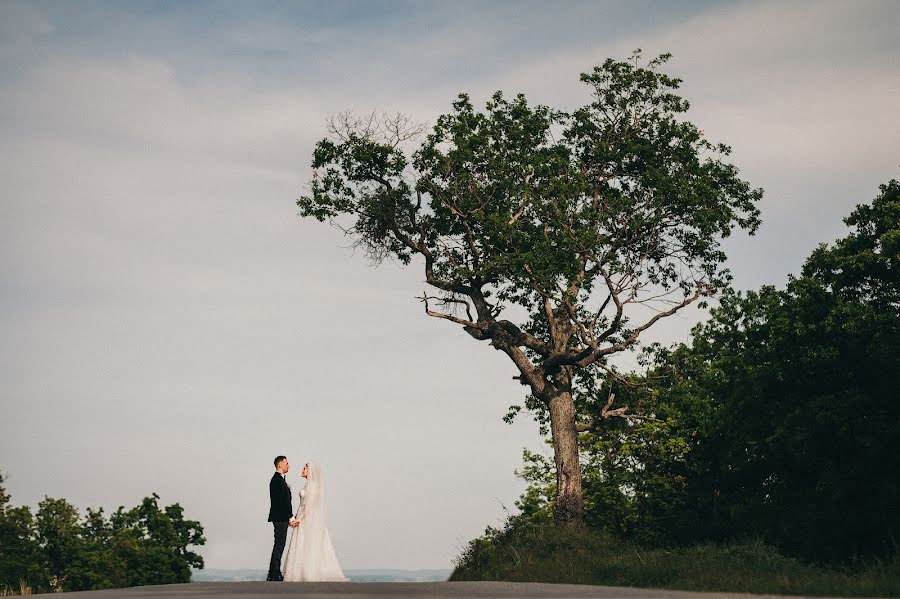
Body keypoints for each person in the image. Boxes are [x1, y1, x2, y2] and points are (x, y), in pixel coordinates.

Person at [282, 463, 347, 581]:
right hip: (302, 516)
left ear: (310, 471)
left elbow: (309, 506)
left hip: (307, 519)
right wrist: (295, 517)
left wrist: (298, 519)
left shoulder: (313, 486)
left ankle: (308, 572)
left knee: (308, 544)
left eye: (304, 468)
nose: (302, 470)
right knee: (303, 544)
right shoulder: (308, 485)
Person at [267, 455, 299, 581]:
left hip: (281, 517)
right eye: (286, 463)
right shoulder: (276, 480)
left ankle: (273, 572)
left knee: (279, 544)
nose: (288, 465)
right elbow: (282, 502)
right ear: (280, 465)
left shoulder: (279, 480)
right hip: (280, 518)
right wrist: (290, 517)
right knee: (279, 544)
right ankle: (275, 573)